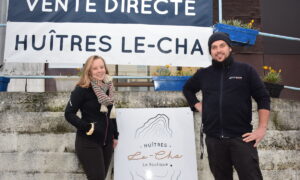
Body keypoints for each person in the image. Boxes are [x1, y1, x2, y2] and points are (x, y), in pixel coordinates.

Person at [183, 32, 270, 180]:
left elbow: (263, 97)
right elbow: (187, 89)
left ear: (230, 48)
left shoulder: (246, 71)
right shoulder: (204, 74)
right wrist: (197, 105)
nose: (218, 50)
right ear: (210, 52)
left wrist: (262, 129)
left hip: (241, 138)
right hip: (214, 140)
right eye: (214, 47)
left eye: (222, 45)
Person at [65, 55, 119, 180]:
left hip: (106, 142)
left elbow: (111, 113)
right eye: (95, 68)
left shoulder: (108, 87)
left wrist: (115, 135)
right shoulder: (82, 89)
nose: (100, 70)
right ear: (89, 71)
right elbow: (69, 113)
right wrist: (87, 126)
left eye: (102, 67)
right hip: (88, 141)